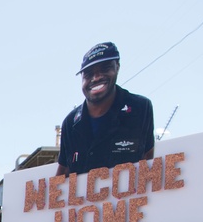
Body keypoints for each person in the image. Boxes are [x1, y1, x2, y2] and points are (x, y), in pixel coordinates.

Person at [57, 41, 154, 176]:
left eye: (104, 69)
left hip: (127, 197)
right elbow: (62, 175)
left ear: (117, 67)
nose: (96, 78)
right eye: (88, 74)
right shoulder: (70, 123)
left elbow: (148, 160)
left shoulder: (140, 108)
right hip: (83, 198)